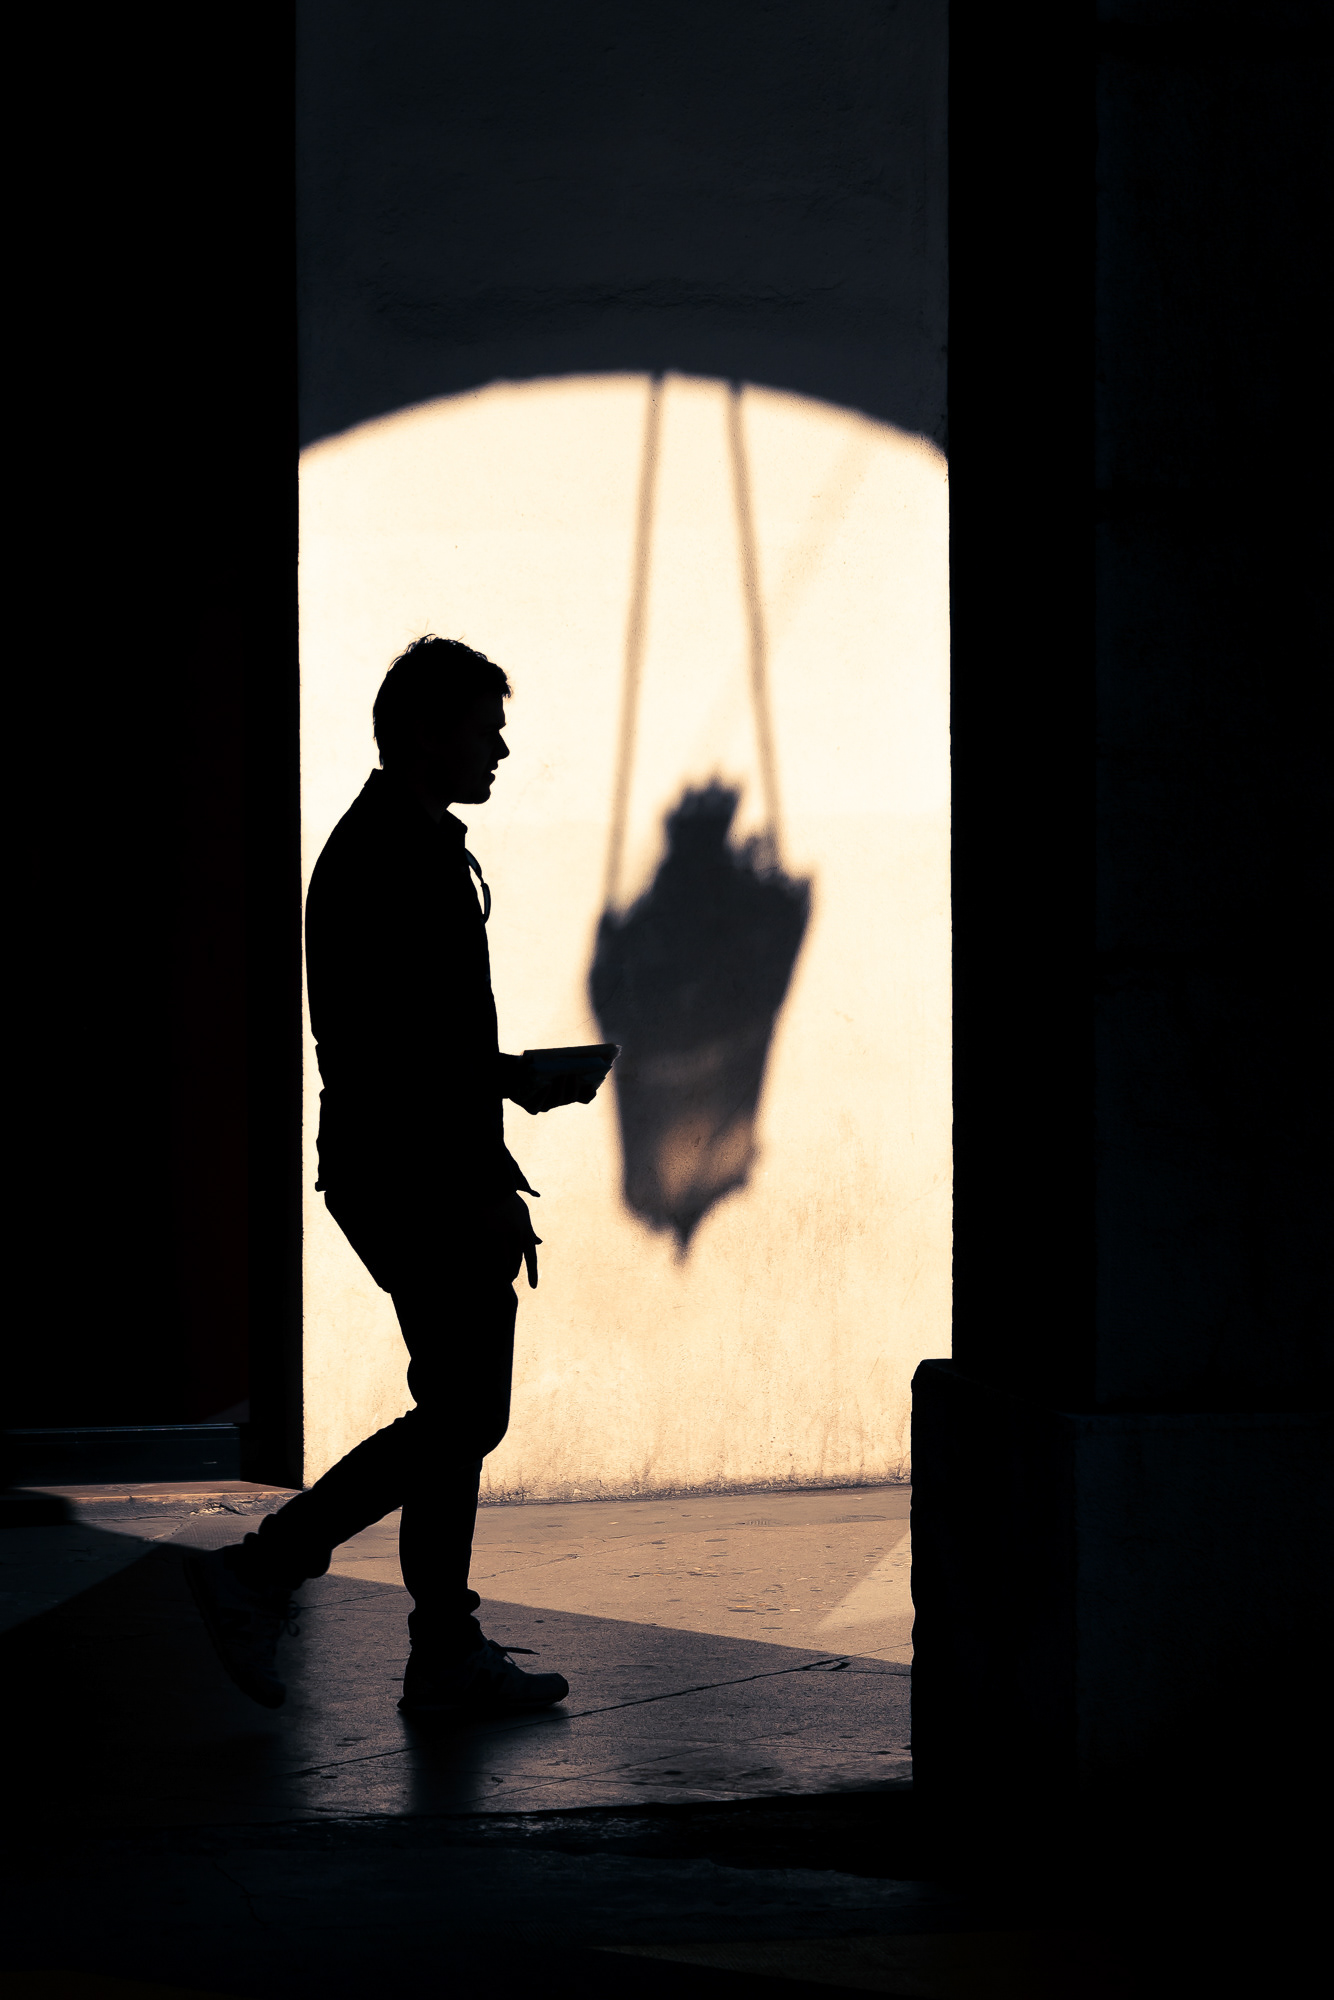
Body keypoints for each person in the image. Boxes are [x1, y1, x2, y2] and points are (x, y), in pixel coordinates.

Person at [187, 636, 607, 1714]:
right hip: (416, 1173)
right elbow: (400, 1061)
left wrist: (508, 1084)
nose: (500, 749)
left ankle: (443, 1648)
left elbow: (414, 1045)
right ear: (426, 733)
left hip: (403, 1166)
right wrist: (488, 1166)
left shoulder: (396, 844)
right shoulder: (396, 858)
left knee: (454, 1408)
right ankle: (264, 1571)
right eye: (484, 728)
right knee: (464, 1412)